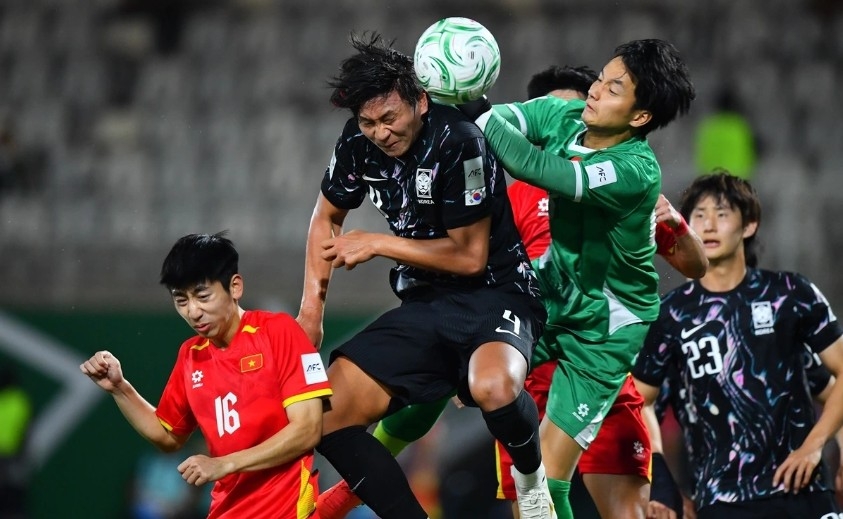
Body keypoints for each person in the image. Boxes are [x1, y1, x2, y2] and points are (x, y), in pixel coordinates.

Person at [316, 62, 706, 519]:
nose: (567, 124)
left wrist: (674, 223)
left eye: (580, 108)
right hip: (533, 336)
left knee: (615, 503)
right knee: (523, 479)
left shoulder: (620, 185)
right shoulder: (504, 194)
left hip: (595, 345)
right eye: (553, 114)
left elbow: (692, 265)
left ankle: (346, 494)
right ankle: (348, 492)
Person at [297, 33, 552, 519]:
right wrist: (312, 311)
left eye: (389, 117)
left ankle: (531, 478)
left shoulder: (460, 141)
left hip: (497, 294)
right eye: (368, 122)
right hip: (426, 304)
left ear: (420, 100)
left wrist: (377, 243)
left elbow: (470, 257)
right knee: (323, 418)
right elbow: (325, 216)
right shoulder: (356, 142)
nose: (379, 132)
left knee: (493, 388)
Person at [456, 39, 696, 518]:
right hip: (551, 298)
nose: (596, 91)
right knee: (520, 462)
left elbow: (537, 166)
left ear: (640, 116)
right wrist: (454, 100)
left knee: (543, 478)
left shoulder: (635, 170)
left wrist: (474, 105)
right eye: (601, 78)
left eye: (613, 88)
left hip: (602, 331)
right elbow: (501, 122)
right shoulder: (564, 116)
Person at [633, 171, 843, 519]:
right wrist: (665, 487)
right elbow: (640, 402)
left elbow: (832, 382)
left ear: (749, 225)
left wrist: (815, 445)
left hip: (804, 490)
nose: (709, 225)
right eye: (699, 215)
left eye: (722, 213)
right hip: (723, 500)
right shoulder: (671, 315)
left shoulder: (789, 295)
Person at [80, 232, 332, 519]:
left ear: (235, 287)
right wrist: (120, 388)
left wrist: (225, 463)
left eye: (202, 296)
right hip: (225, 511)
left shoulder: (279, 332)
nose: (193, 311)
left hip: (286, 510)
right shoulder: (191, 355)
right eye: (181, 300)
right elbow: (168, 436)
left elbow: (307, 430)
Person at [0, 365, 32, 519]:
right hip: (11, 454)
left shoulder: (16, 401)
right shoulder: (20, 401)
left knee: (9, 490)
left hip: (8, 454)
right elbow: (25, 431)